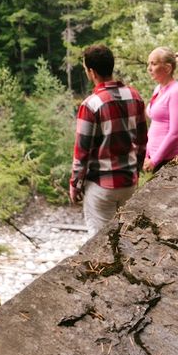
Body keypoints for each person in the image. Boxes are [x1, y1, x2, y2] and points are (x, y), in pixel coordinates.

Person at [69, 44, 148, 235]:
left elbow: (82, 152)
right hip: (129, 183)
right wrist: (135, 171)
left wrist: (75, 185)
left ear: (92, 72)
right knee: (126, 237)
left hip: (101, 187)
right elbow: (142, 141)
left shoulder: (90, 105)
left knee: (100, 242)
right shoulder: (134, 96)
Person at [144, 47, 178, 173]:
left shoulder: (177, 92)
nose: (149, 68)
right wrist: (147, 154)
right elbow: (154, 125)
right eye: (149, 64)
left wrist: (154, 160)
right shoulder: (158, 89)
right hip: (157, 159)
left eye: (153, 64)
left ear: (168, 68)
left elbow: (175, 133)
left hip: (170, 160)